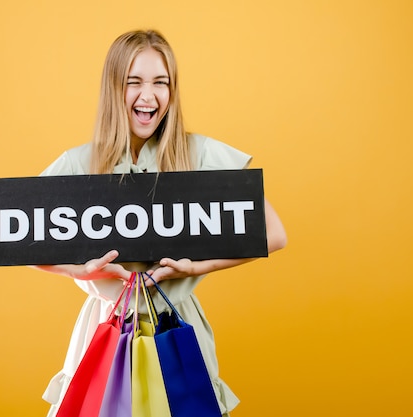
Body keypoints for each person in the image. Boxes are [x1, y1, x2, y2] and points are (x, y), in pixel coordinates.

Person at [36, 29, 287, 417]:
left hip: (177, 325)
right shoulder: (79, 164)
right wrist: (82, 270)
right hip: (103, 328)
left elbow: (274, 233)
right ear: (114, 88)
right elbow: (18, 239)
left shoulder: (198, 154)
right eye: (133, 82)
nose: (148, 95)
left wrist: (196, 267)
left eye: (161, 83)